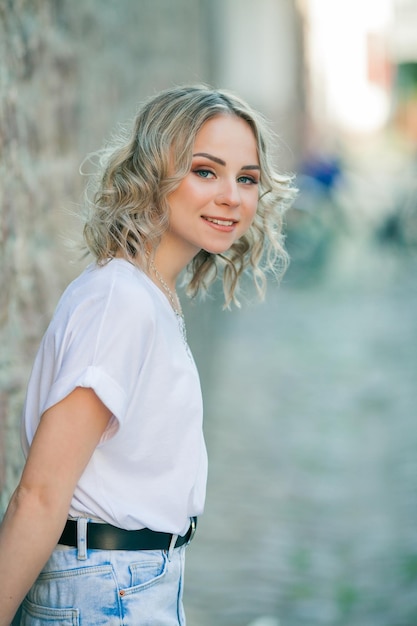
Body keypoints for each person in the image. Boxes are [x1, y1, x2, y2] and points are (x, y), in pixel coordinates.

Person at [0, 84, 296, 625]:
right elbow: (39, 496)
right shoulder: (120, 302)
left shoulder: (149, 294)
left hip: (137, 581)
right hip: (105, 592)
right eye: (206, 170)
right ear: (154, 173)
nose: (232, 195)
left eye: (247, 178)